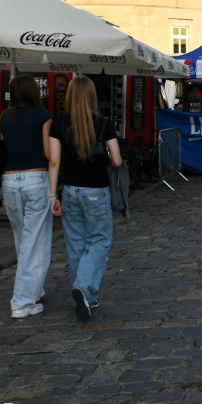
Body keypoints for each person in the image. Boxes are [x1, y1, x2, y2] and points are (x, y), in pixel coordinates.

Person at [48, 76, 122, 323]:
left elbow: (54, 161)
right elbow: (117, 160)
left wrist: (52, 195)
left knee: (76, 245)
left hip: (70, 189)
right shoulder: (103, 124)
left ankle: (87, 295)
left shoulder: (58, 124)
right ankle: (84, 287)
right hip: (96, 189)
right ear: (92, 96)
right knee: (99, 242)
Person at [0, 74, 54, 319]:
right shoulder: (43, 116)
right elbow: (47, 151)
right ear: (34, 91)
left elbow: (2, 148)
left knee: (22, 239)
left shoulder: (4, 117)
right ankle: (22, 301)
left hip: (9, 179)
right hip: (35, 178)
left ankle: (33, 288)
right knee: (36, 242)